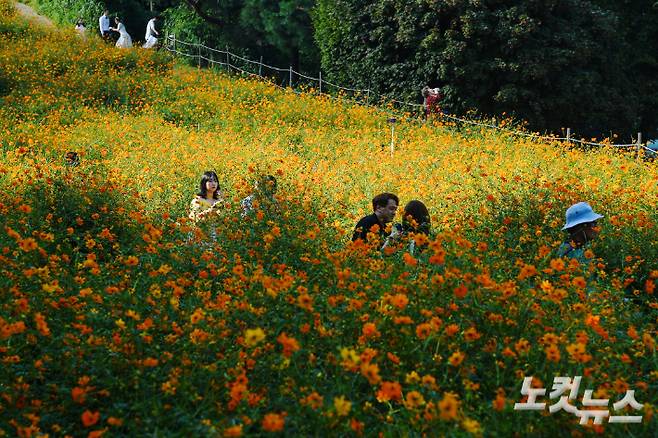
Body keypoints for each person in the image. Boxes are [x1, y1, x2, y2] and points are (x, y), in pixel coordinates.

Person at [557, 202, 604, 266]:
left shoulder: (581, 246)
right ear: (581, 227)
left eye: (595, 223)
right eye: (593, 224)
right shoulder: (569, 251)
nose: (596, 227)